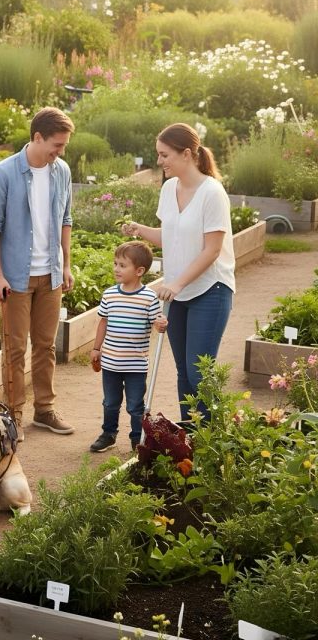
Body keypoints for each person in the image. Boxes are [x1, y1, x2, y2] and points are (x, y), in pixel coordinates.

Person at [121, 123, 235, 420]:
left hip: (210, 290)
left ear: (186, 154)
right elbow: (170, 234)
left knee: (200, 373)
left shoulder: (212, 193)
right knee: (183, 372)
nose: (159, 162)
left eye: (164, 155)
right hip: (178, 292)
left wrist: (177, 284)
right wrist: (140, 230)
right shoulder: (169, 188)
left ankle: (213, 441)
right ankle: (189, 438)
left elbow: (211, 249)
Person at [0, 106, 75, 441]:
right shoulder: (4, 173)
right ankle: (12, 415)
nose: (60, 152)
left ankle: (45, 410)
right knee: (15, 347)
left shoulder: (60, 171)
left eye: (63, 147)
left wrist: (65, 264)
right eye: (57, 145)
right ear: (37, 137)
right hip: (15, 278)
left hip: (50, 275)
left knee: (46, 346)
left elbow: (66, 219)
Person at [89, 242, 168, 453]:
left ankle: (137, 438)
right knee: (110, 402)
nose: (116, 268)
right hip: (111, 363)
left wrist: (160, 324)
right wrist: (96, 348)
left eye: (122, 265)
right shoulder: (110, 295)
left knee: (135, 406)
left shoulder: (148, 298)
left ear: (139, 271)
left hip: (135, 365)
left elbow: (155, 322)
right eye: (115, 263)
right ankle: (108, 434)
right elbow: (103, 322)